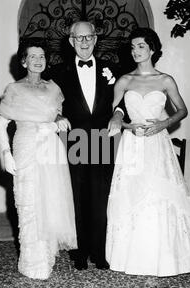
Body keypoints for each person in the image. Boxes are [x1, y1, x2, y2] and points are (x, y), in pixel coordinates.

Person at [105, 27, 190, 276]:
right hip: (132, 143)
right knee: (132, 194)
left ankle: (167, 256)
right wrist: (128, 125)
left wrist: (164, 124)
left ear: (152, 49)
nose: (136, 51)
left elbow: (182, 110)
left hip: (158, 145)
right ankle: (130, 257)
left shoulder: (165, 80)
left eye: (141, 46)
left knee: (160, 193)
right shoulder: (124, 80)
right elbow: (113, 115)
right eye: (132, 47)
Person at [0, 38, 77, 280]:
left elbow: (57, 113)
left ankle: (48, 256)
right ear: (23, 61)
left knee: (50, 199)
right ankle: (32, 262)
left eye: (42, 56)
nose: (38, 60)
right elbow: (1, 125)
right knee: (29, 201)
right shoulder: (14, 89)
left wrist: (60, 120)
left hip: (50, 147)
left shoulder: (53, 87)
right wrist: (5, 154)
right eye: (33, 56)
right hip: (27, 145)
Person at [51, 21, 126, 270]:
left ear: (95, 39)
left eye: (89, 37)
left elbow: (124, 99)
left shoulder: (113, 69)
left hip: (104, 138)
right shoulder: (57, 73)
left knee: (101, 196)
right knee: (78, 195)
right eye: (79, 38)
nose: (84, 42)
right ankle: (80, 252)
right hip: (75, 139)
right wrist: (56, 116)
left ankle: (100, 251)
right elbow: (46, 103)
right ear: (71, 41)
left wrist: (118, 114)